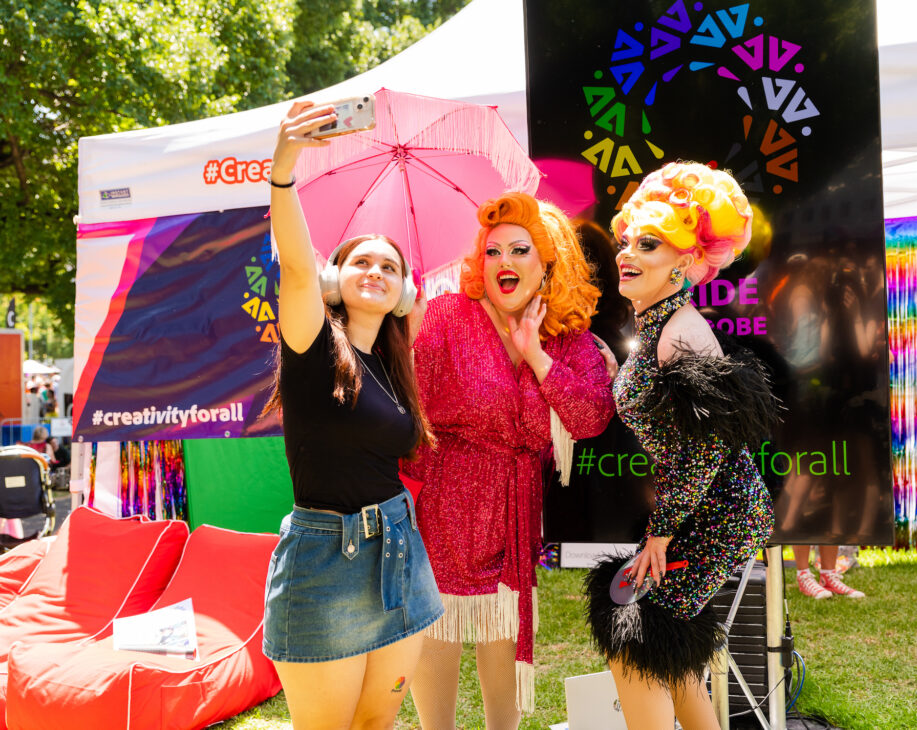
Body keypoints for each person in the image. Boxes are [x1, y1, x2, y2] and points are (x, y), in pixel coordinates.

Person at [259, 99, 443, 730]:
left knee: (377, 724)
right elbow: (295, 266)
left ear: (404, 293)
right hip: (323, 560)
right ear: (337, 277)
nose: (376, 271)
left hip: (400, 550)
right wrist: (284, 172)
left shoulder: (397, 366)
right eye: (361, 260)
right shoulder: (312, 345)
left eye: (389, 267)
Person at [406, 192, 615, 728]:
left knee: (502, 641)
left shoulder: (569, 341)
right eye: (492, 251)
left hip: (515, 511)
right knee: (439, 630)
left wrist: (537, 357)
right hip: (446, 505)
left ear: (548, 263)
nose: (504, 263)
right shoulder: (448, 316)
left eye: (519, 250)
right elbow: (411, 407)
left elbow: (591, 418)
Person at [584, 162, 778, 730]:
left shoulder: (682, 330)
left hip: (715, 513)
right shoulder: (656, 327)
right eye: (626, 241)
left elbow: (705, 451)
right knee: (672, 653)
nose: (627, 253)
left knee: (636, 634)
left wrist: (662, 533)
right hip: (696, 508)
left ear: (687, 263)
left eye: (649, 244)